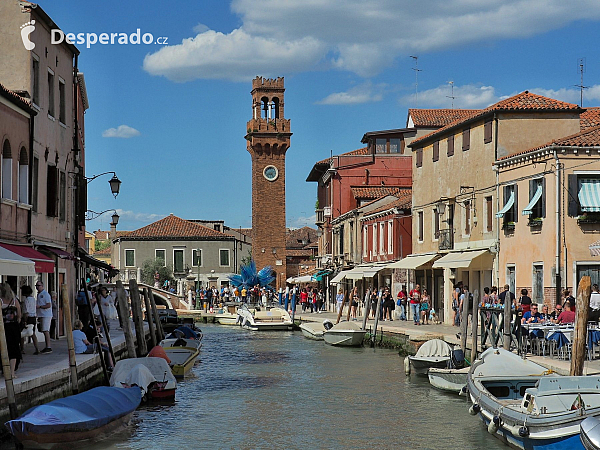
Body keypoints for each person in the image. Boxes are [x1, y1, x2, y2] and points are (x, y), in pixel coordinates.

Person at [1, 284, 22, 378]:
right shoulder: (15, 301)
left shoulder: (0, 301)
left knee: (4, 347)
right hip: (14, 327)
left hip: (3, 327)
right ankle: (12, 372)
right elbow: (19, 316)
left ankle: (4, 369)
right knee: (13, 349)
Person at [20, 285, 40, 355]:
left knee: (22, 333)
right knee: (32, 333)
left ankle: (22, 349)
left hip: (28, 318)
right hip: (33, 317)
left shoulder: (26, 300)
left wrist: (24, 320)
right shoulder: (33, 299)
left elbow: (26, 311)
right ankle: (37, 348)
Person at [35, 281, 53, 354]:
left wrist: (40, 307)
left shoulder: (46, 294)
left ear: (42, 286)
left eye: (38, 285)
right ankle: (47, 346)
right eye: (36, 285)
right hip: (41, 315)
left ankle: (48, 347)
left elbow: (49, 305)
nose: (37, 287)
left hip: (46, 315)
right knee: (43, 330)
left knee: (46, 330)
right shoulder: (39, 294)